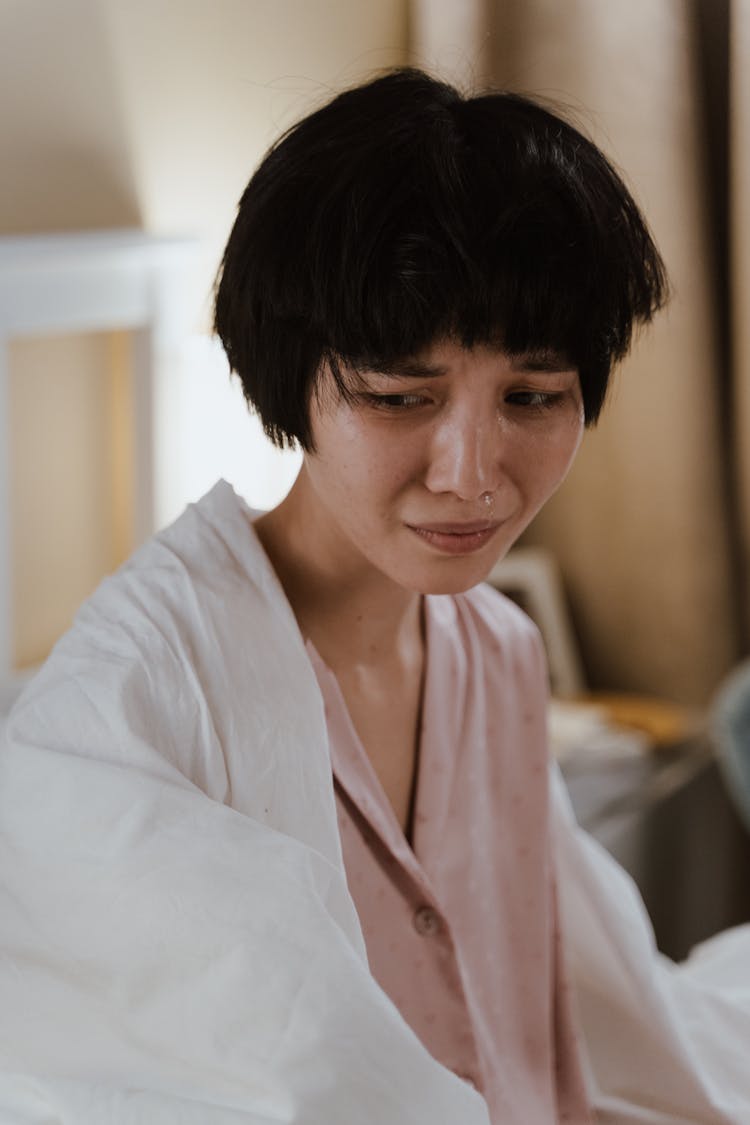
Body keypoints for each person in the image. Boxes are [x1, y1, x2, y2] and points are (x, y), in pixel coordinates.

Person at [1, 67, 749, 1125]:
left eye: (534, 397)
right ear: (289, 382)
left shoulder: (496, 651)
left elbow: (536, 1040)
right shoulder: (119, 713)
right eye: (402, 398)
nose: (473, 474)